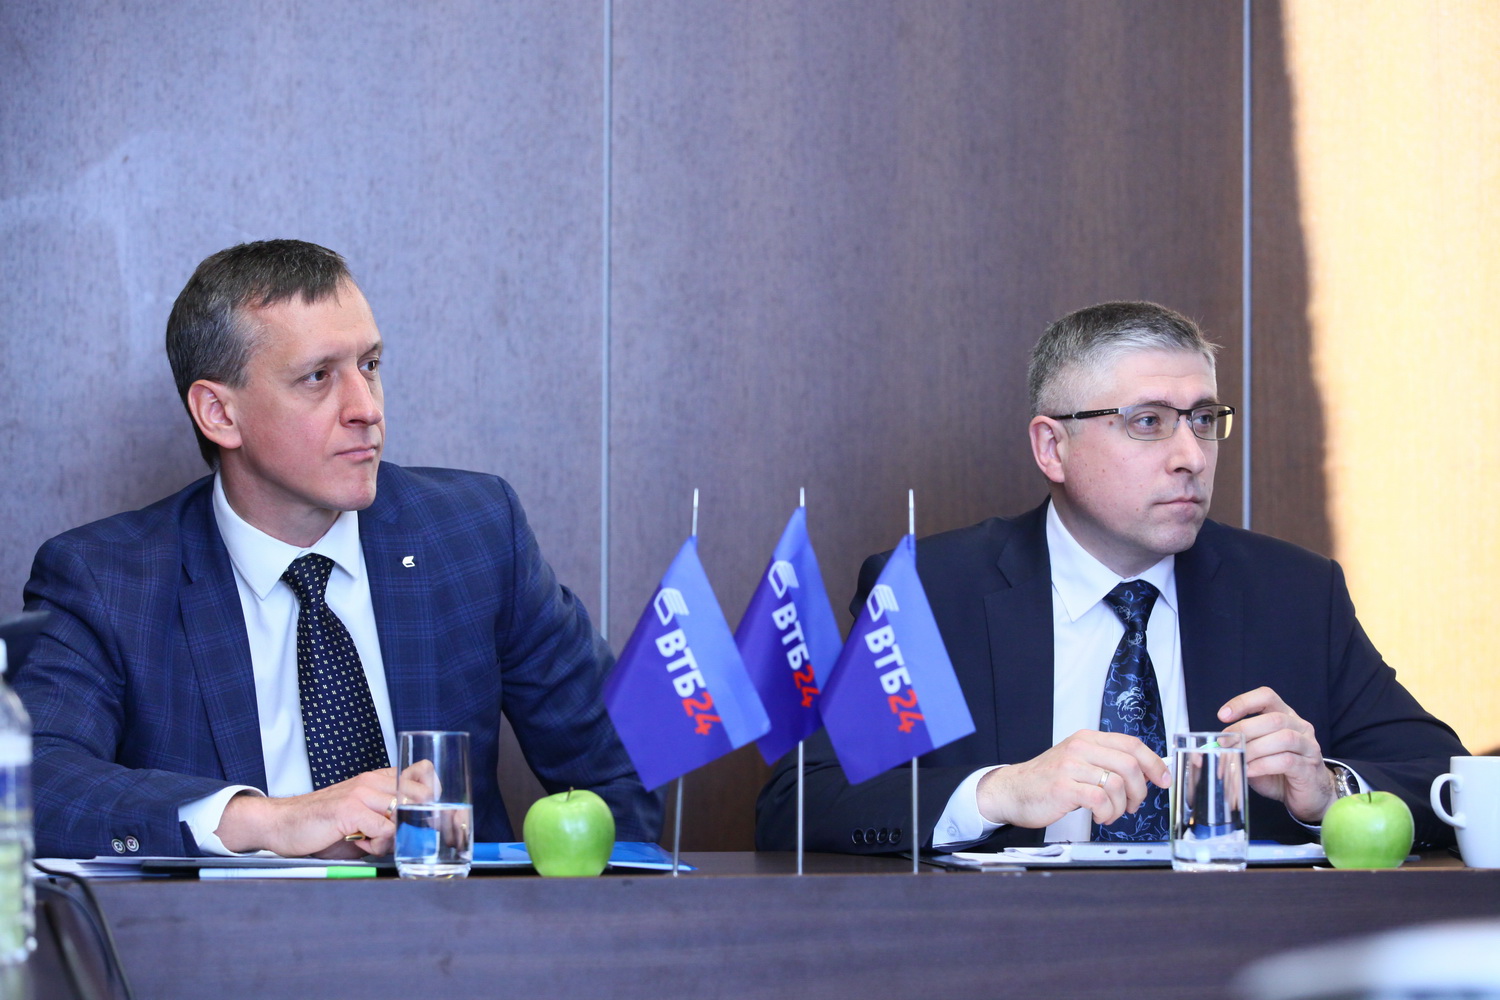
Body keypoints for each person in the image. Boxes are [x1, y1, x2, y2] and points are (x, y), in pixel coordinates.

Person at [15, 239, 660, 859]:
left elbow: (621, 769)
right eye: (318, 376)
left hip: (454, 921)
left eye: (370, 366)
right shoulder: (106, 580)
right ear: (219, 413)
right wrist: (271, 821)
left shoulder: (475, 532)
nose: (365, 408)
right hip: (234, 932)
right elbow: (31, 781)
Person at [757, 301, 1465, 853]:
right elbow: (800, 802)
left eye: (1204, 419)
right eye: (1149, 422)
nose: (1192, 455)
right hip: (1005, 959)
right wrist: (999, 792)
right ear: (1052, 447)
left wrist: (1329, 789)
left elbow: (1450, 782)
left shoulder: (1294, 594)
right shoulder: (934, 593)